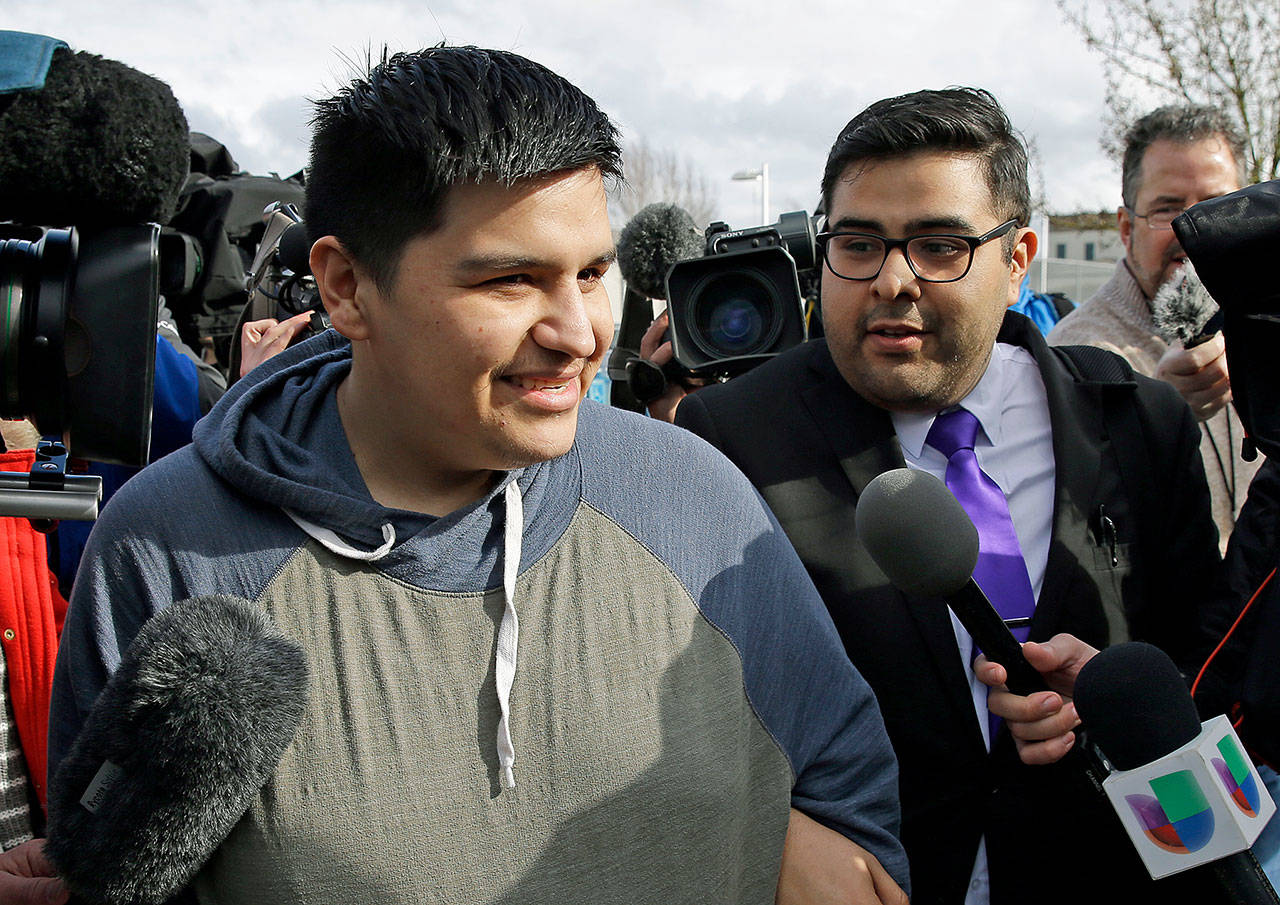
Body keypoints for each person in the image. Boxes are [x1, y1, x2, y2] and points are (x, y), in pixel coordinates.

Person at [47, 46, 908, 904]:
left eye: (593, 272)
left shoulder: (691, 494)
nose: (579, 332)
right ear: (346, 286)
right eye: (510, 280)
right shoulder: (168, 550)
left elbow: (854, 810)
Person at [663, 87, 1223, 905]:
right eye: (859, 243)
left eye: (937, 245)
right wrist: (778, 832)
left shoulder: (1141, 422)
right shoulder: (733, 433)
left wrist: (1117, 701)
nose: (892, 280)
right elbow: (695, 712)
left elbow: (1207, 673)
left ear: (1019, 257)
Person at [1049, 105, 1260, 552]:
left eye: (1219, 207)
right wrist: (1150, 419)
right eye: (1168, 211)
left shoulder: (1267, 329)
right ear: (1126, 228)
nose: (1194, 230)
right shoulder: (1072, 356)